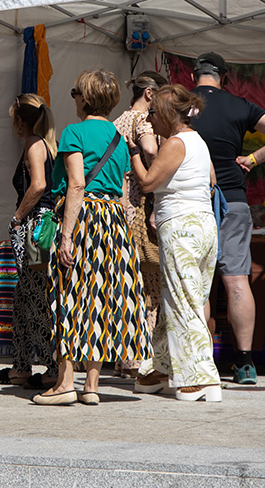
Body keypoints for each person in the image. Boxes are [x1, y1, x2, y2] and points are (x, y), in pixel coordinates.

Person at [34, 69, 149, 406]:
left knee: (71, 296)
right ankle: (92, 386)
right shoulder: (118, 137)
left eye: (74, 92)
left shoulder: (74, 132)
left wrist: (66, 235)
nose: (74, 99)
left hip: (83, 218)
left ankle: (65, 383)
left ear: (84, 98)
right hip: (114, 223)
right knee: (100, 300)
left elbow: (77, 184)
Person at [189, 52, 265, 385]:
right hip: (234, 200)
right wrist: (252, 158)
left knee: (199, 284)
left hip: (194, 200)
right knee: (236, 279)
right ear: (224, 76)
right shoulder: (239, 105)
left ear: (195, 76)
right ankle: (245, 363)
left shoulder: (183, 107)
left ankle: (202, 361)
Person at [128, 85, 221, 402]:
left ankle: (199, 378)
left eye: (153, 113)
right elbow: (212, 181)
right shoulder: (198, 142)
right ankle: (159, 367)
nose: (149, 118)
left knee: (183, 302)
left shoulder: (176, 143)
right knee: (180, 297)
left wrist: (133, 157)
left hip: (181, 227)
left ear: (167, 114)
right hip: (203, 225)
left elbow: (148, 182)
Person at [0, 93, 58, 389]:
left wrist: (18, 217)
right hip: (42, 224)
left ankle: (51, 367)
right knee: (24, 297)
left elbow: (39, 185)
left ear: (20, 120)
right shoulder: (48, 143)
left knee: (35, 296)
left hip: (36, 225)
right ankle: (21, 364)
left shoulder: (34, 144)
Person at [113, 70, 168, 378]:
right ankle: (141, 358)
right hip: (138, 206)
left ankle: (124, 357)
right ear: (149, 95)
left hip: (118, 209)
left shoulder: (117, 122)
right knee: (148, 286)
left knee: (126, 284)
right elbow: (148, 149)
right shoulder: (142, 120)